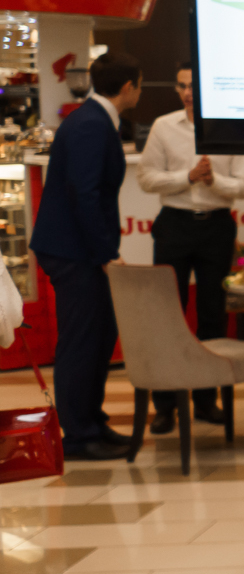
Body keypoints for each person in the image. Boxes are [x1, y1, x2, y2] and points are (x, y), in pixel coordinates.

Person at [32, 50, 145, 461]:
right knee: (82, 341)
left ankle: (92, 421)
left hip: (80, 249)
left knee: (100, 336)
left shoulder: (95, 120)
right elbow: (84, 194)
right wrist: (105, 254)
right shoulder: (91, 125)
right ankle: (79, 435)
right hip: (73, 251)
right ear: (129, 86)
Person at [136, 64, 244, 430]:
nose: (188, 93)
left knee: (212, 315)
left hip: (216, 227)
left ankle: (206, 399)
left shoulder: (233, 124)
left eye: (194, 86)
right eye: (182, 86)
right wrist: (187, 177)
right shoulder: (163, 126)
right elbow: (146, 178)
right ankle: (165, 405)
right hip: (174, 225)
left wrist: (213, 181)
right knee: (168, 315)